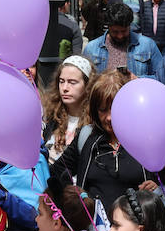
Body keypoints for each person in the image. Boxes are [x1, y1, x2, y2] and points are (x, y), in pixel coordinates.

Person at [52, 69, 157, 209]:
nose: (109, 117)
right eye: (102, 110)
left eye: (115, 109)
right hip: (94, 229)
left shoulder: (145, 140)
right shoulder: (86, 138)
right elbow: (55, 173)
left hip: (135, 228)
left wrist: (156, 186)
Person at [82, 3, 165, 82]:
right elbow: (84, 81)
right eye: (115, 32)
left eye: (124, 31)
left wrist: (138, 79)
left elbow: (163, 77)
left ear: (130, 26)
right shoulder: (91, 49)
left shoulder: (147, 45)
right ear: (108, 27)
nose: (120, 36)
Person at [42, 56, 92, 164]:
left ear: (87, 85)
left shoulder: (94, 123)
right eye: (61, 81)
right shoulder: (51, 117)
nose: (65, 88)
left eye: (72, 82)